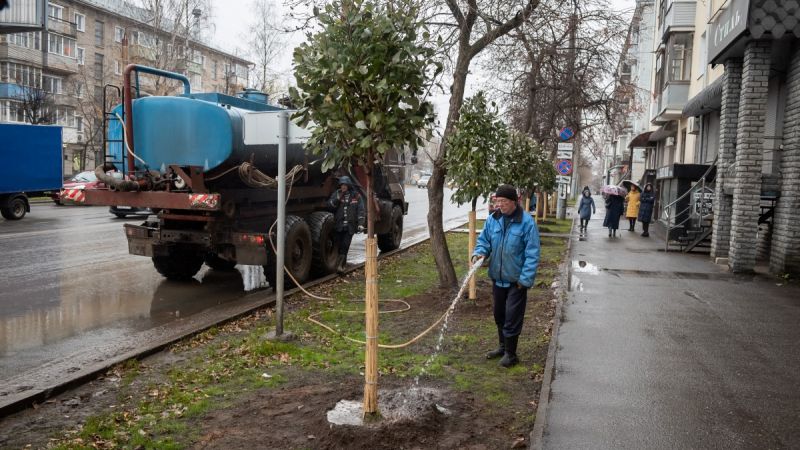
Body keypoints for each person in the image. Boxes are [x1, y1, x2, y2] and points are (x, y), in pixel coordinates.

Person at [471, 184, 540, 368]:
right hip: (498, 278)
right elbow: (484, 241)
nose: (499, 205)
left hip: (516, 281)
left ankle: (511, 353)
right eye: (497, 201)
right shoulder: (493, 220)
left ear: (514, 202)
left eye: (503, 202)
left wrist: (524, 280)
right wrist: (479, 254)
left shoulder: (526, 223)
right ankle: (502, 347)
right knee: (499, 315)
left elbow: (532, 253)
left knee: (512, 316)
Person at [328, 176, 365, 273]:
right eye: (341, 185)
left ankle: (340, 266)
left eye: (345, 185)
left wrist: (360, 224)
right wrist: (338, 199)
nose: (343, 187)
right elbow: (330, 205)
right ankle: (340, 265)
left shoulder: (356, 196)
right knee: (339, 245)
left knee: (345, 244)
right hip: (339, 226)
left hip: (350, 226)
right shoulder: (336, 194)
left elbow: (361, 211)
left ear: (348, 185)